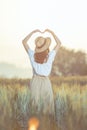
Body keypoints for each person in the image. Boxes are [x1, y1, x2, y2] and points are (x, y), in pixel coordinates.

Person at [22, 29, 61, 129]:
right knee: (48, 105)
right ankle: (48, 126)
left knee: (35, 105)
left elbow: (24, 42)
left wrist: (33, 32)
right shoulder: (50, 55)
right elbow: (59, 43)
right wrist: (52, 32)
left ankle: (35, 126)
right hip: (45, 81)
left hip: (35, 81)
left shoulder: (32, 54)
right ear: (47, 47)